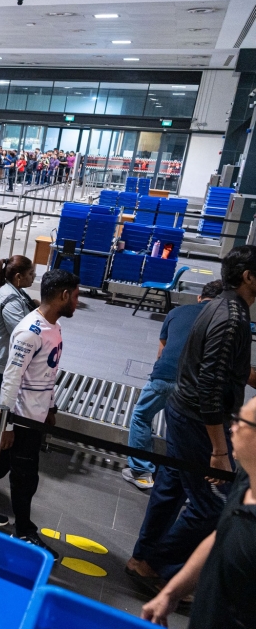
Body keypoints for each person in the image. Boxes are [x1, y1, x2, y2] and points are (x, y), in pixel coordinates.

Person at [127, 245, 256, 589]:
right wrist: (219, 450)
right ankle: (156, 565)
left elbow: (220, 369)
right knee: (211, 506)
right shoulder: (233, 318)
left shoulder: (215, 307)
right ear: (248, 276)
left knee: (169, 488)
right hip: (199, 421)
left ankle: (142, 557)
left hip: (184, 413)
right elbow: (211, 385)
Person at [0, 269, 79, 560]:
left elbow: (48, 374)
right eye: (76, 296)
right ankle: (25, 530)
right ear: (63, 295)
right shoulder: (30, 331)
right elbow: (11, 379)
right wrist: (8, 424)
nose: (77, 302)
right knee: (25, 477)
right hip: (21, 417)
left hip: (35, 414)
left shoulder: (53, 327)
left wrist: (50, 405)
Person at [140, 396, 256, 629]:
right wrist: (171, 593)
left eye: (240, 421)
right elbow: (220, 537)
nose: (232, 428)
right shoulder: (247, 479)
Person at [124, 280, 224, 490]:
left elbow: (162, 352)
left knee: (142, 416)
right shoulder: (222, 321)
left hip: (165, 376)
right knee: (188, 427)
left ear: (199, 297)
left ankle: (141, 472)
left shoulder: (177, 312)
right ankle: (188, 482)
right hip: (196, 385)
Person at [0, 256, 38, 452]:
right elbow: (21, 332)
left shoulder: (12, 291)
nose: (34, 277)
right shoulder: (10, 299)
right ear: (18, 276)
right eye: (31, 274)